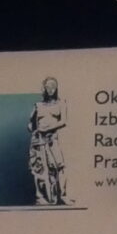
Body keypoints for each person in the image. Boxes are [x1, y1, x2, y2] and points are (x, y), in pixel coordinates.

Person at [27, 78, 68, 206]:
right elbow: (30, 123)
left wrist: (47, 128)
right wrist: (33, 129)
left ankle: (62, 196)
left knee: (59, 167)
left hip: (52, 139)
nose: (50, 89)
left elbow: (63, 121)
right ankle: (40, 197)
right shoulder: (38, 105)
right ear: (44, 88)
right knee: (39, 169)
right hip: (38, 140)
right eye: (48, 87)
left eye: (53, 87)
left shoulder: (61, 103)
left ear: (56, 88)